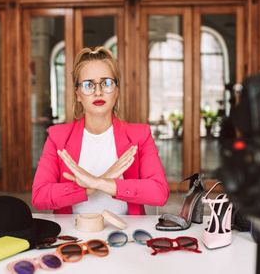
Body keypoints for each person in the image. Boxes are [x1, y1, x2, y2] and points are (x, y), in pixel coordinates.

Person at [32, 46, 169, 215]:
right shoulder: (57, 137)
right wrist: (89, 188)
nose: (98, 92)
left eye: (107, 83)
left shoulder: (140, 136)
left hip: (126, 235)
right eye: (88, 85)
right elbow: (39, 197)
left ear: (117, 91)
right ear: (77, 94)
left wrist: (100, 183)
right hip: (72, 235)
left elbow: (160, 193)